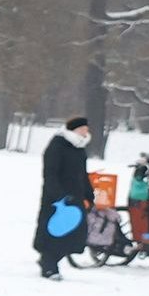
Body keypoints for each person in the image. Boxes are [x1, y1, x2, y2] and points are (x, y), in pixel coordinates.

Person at [36, 115, 96, 278]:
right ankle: (49, 265)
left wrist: (89, 194)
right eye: (83, 129)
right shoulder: (57, 146)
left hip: (75, 197)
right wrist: (58, 195)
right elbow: (50, 173)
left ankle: (49, 260)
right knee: (54, 232)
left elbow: (82, 174)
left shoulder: (79, 148)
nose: (86, 132)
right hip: (57, 199)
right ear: (75, 130)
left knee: (73, 235)